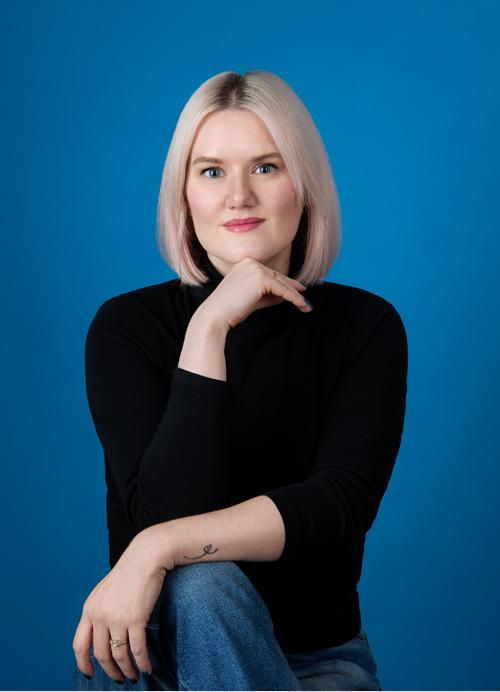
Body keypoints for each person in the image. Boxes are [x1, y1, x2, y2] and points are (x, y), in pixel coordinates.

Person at [72, 70, 408, 691]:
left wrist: (157, 548)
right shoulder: (127, 328)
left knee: (198, 577)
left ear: (306, 188)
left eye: (265, 167)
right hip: (160, 664)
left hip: (315, 662)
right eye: (211, 171)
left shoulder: (365, 326)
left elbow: (339, 504)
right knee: (200, 586)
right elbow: (161, 512)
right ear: (184, 196)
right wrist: (209, 329)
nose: (238, 197)